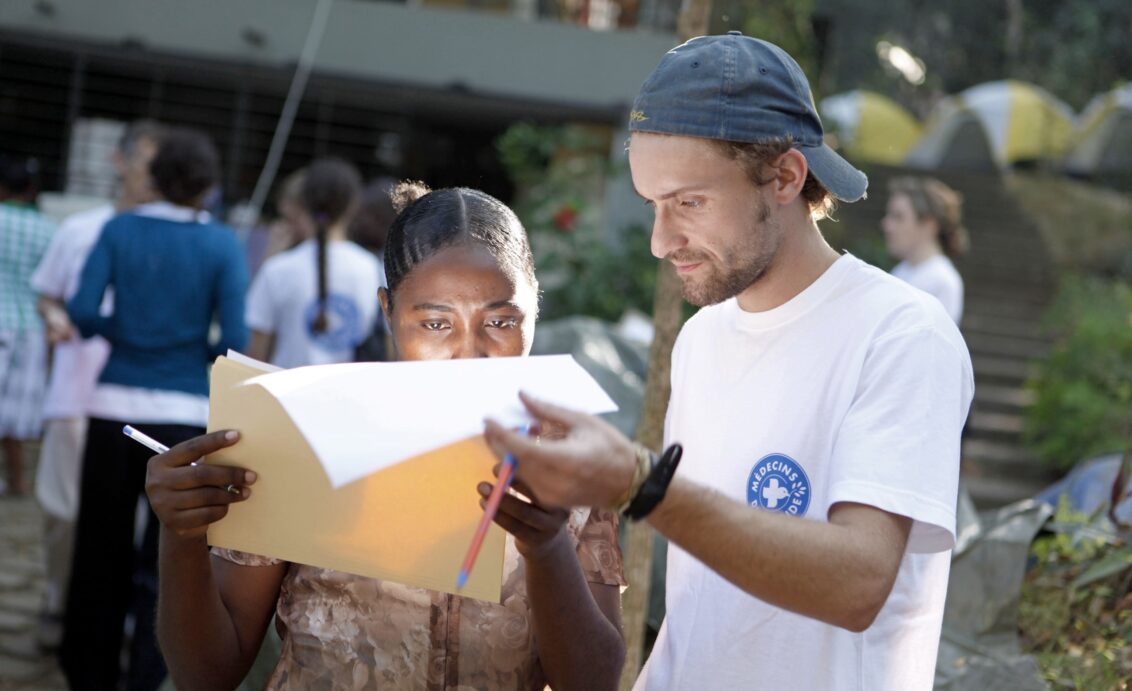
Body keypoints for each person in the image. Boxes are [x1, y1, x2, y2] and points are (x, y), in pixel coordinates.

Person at [482, 32, 974, 691]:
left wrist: (638, 484)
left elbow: (860, 582)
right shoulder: (701, 339)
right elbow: (707, 606)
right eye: (654, 205)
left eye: (688, 202)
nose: (661, 241)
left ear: (786, 176)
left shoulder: (901, 334)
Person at [144, 183, 627, 690]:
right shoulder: (308, 429)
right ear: (388, 311)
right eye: (436, 322)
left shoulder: (573, 458)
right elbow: (207, 674)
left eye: (501, 321)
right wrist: (181, 536)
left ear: (536, 308)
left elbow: (592, 681)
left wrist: (546, 547)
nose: (470, 353)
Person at [60, 127, 248, 691]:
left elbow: (81, 309)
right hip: (185, 410)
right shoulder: (222, 245)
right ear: (208, 187)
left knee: (98, 545)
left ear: (156, 176)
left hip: (111, 403)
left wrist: (130, 332)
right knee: (168, 553)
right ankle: (149, 672)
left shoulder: (118, 229)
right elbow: (233, 339)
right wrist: (185, 343)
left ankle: (87, 672)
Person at [28, 120, 164, 648]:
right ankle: (59, 601)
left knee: (133, 520)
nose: (151, 176)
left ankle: (122, 615)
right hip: (77, 391)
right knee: (63, 511)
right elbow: (47, 294)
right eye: (145, 162)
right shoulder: (81, 229)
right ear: (120, 162)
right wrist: (55, 318)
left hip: (139, 398)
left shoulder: (177, 234)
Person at [245, 158, 382, 368]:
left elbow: (252, 361)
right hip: (349, 399)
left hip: (281, 398)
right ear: (353, 206)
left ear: (303, 204)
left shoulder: (277, 269)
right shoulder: (374, 270)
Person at [0, 154, 55, 497]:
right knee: (16, 414)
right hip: (31, 328)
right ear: (32, 190)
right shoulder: (50, 229)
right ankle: (18, 480)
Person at [882, 175, 968, 324]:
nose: (887, 225)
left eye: (899, 217)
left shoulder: (941, 280)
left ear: (929, 225)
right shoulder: (902, 271)